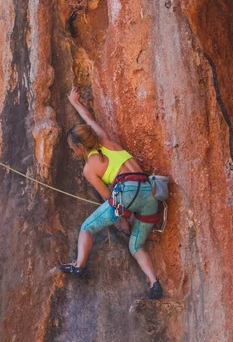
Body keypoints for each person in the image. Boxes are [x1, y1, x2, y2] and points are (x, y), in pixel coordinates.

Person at [60, 87, 163, 299]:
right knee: (136, 245)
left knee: (87, 227)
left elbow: (109, 197)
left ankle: (78, 264)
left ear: (79, 147)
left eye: (73, 147)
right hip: (150, 192)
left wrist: (122, 219)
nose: (72, 151)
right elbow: (88, 119)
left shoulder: (89, 169)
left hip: (126, 192)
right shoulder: (104, 139)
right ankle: (154, 283)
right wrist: (75, 103)